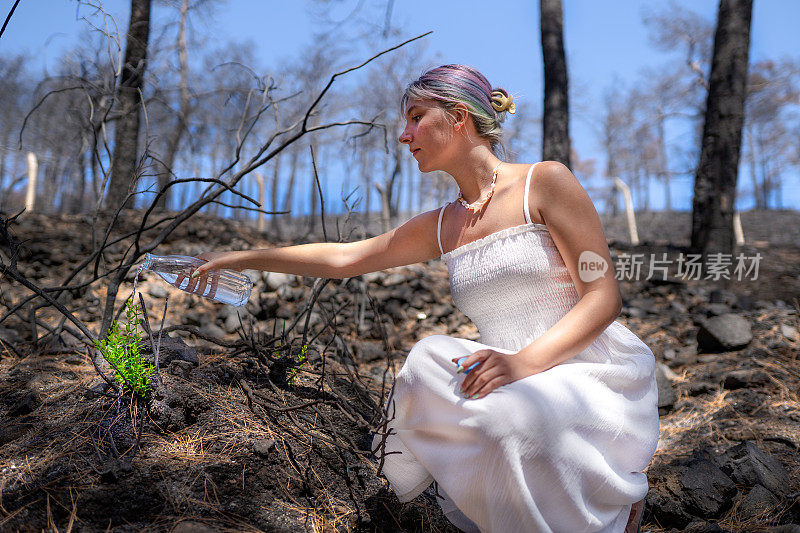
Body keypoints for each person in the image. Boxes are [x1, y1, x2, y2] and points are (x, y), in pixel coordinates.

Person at [191, 64, 659, 533]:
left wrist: (524, 363)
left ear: (458, 117)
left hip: (584, 370)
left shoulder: (546, 182)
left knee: (507, 421)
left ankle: (610, 514)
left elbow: (603, 297)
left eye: (415, 117)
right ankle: (373, 503)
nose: (404, 134)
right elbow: (344, 258)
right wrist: (238, 258)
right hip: (505, 373)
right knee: (428, 357)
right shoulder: (443, 223)